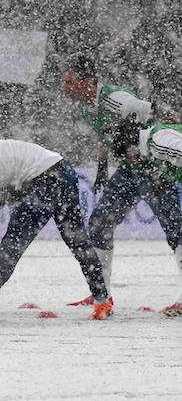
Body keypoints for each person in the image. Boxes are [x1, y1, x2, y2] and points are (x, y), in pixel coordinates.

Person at [0, 140, 112, 322]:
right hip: (62, 170)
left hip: (48, 178)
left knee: (12, 245)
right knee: (78, 242)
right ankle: (102, 300)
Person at [62, 54, 182, 306]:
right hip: (129, 170)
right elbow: (104, 136)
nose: (66, 89)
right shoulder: (87, 106)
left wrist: (173, 124)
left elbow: (152, 110)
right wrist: (102, 169)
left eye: (70, 82)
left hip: (153, 167)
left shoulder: (114, 99)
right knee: (98, 225)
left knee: (175, 228)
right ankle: (101, 292)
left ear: (87, 82)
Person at [111, 117, 182, 317]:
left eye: (126, 155)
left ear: (132, 146)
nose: (129, 161)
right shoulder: (153, 145)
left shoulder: (159, 141)